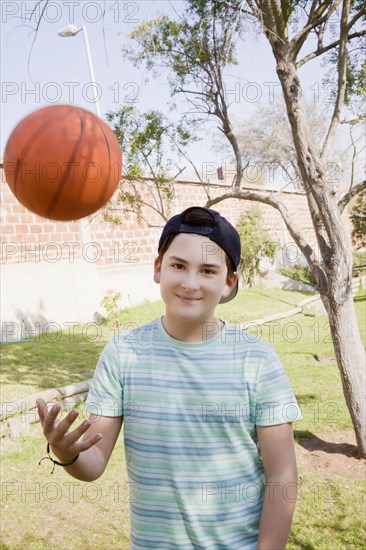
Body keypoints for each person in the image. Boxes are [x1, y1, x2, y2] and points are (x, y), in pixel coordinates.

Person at [37, 206, 302, 549]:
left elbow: (282, 475)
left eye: (207, 271)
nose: (190, 283)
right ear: (158, 268)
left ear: (228, 283)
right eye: (178, 266)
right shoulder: (123, 354)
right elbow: (93, 464)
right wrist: (66, 451)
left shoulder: (257, 360)